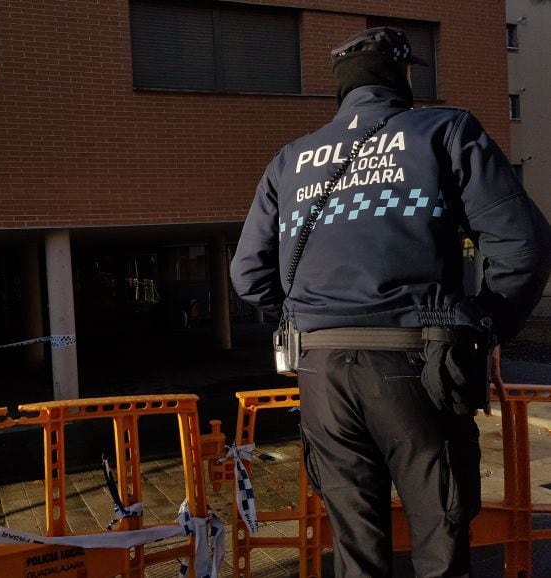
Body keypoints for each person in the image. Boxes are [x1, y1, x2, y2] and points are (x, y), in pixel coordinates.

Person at [230, 27, 551, 578]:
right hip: (418, 362)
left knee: (355, 543)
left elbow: (248, 275)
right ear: (404, 76)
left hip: (321, 369)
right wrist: (486, 325)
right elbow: (523, 242)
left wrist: (310, 314)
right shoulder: (445, 130)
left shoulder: (291, 159)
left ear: (340, 89)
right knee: (441, 537)